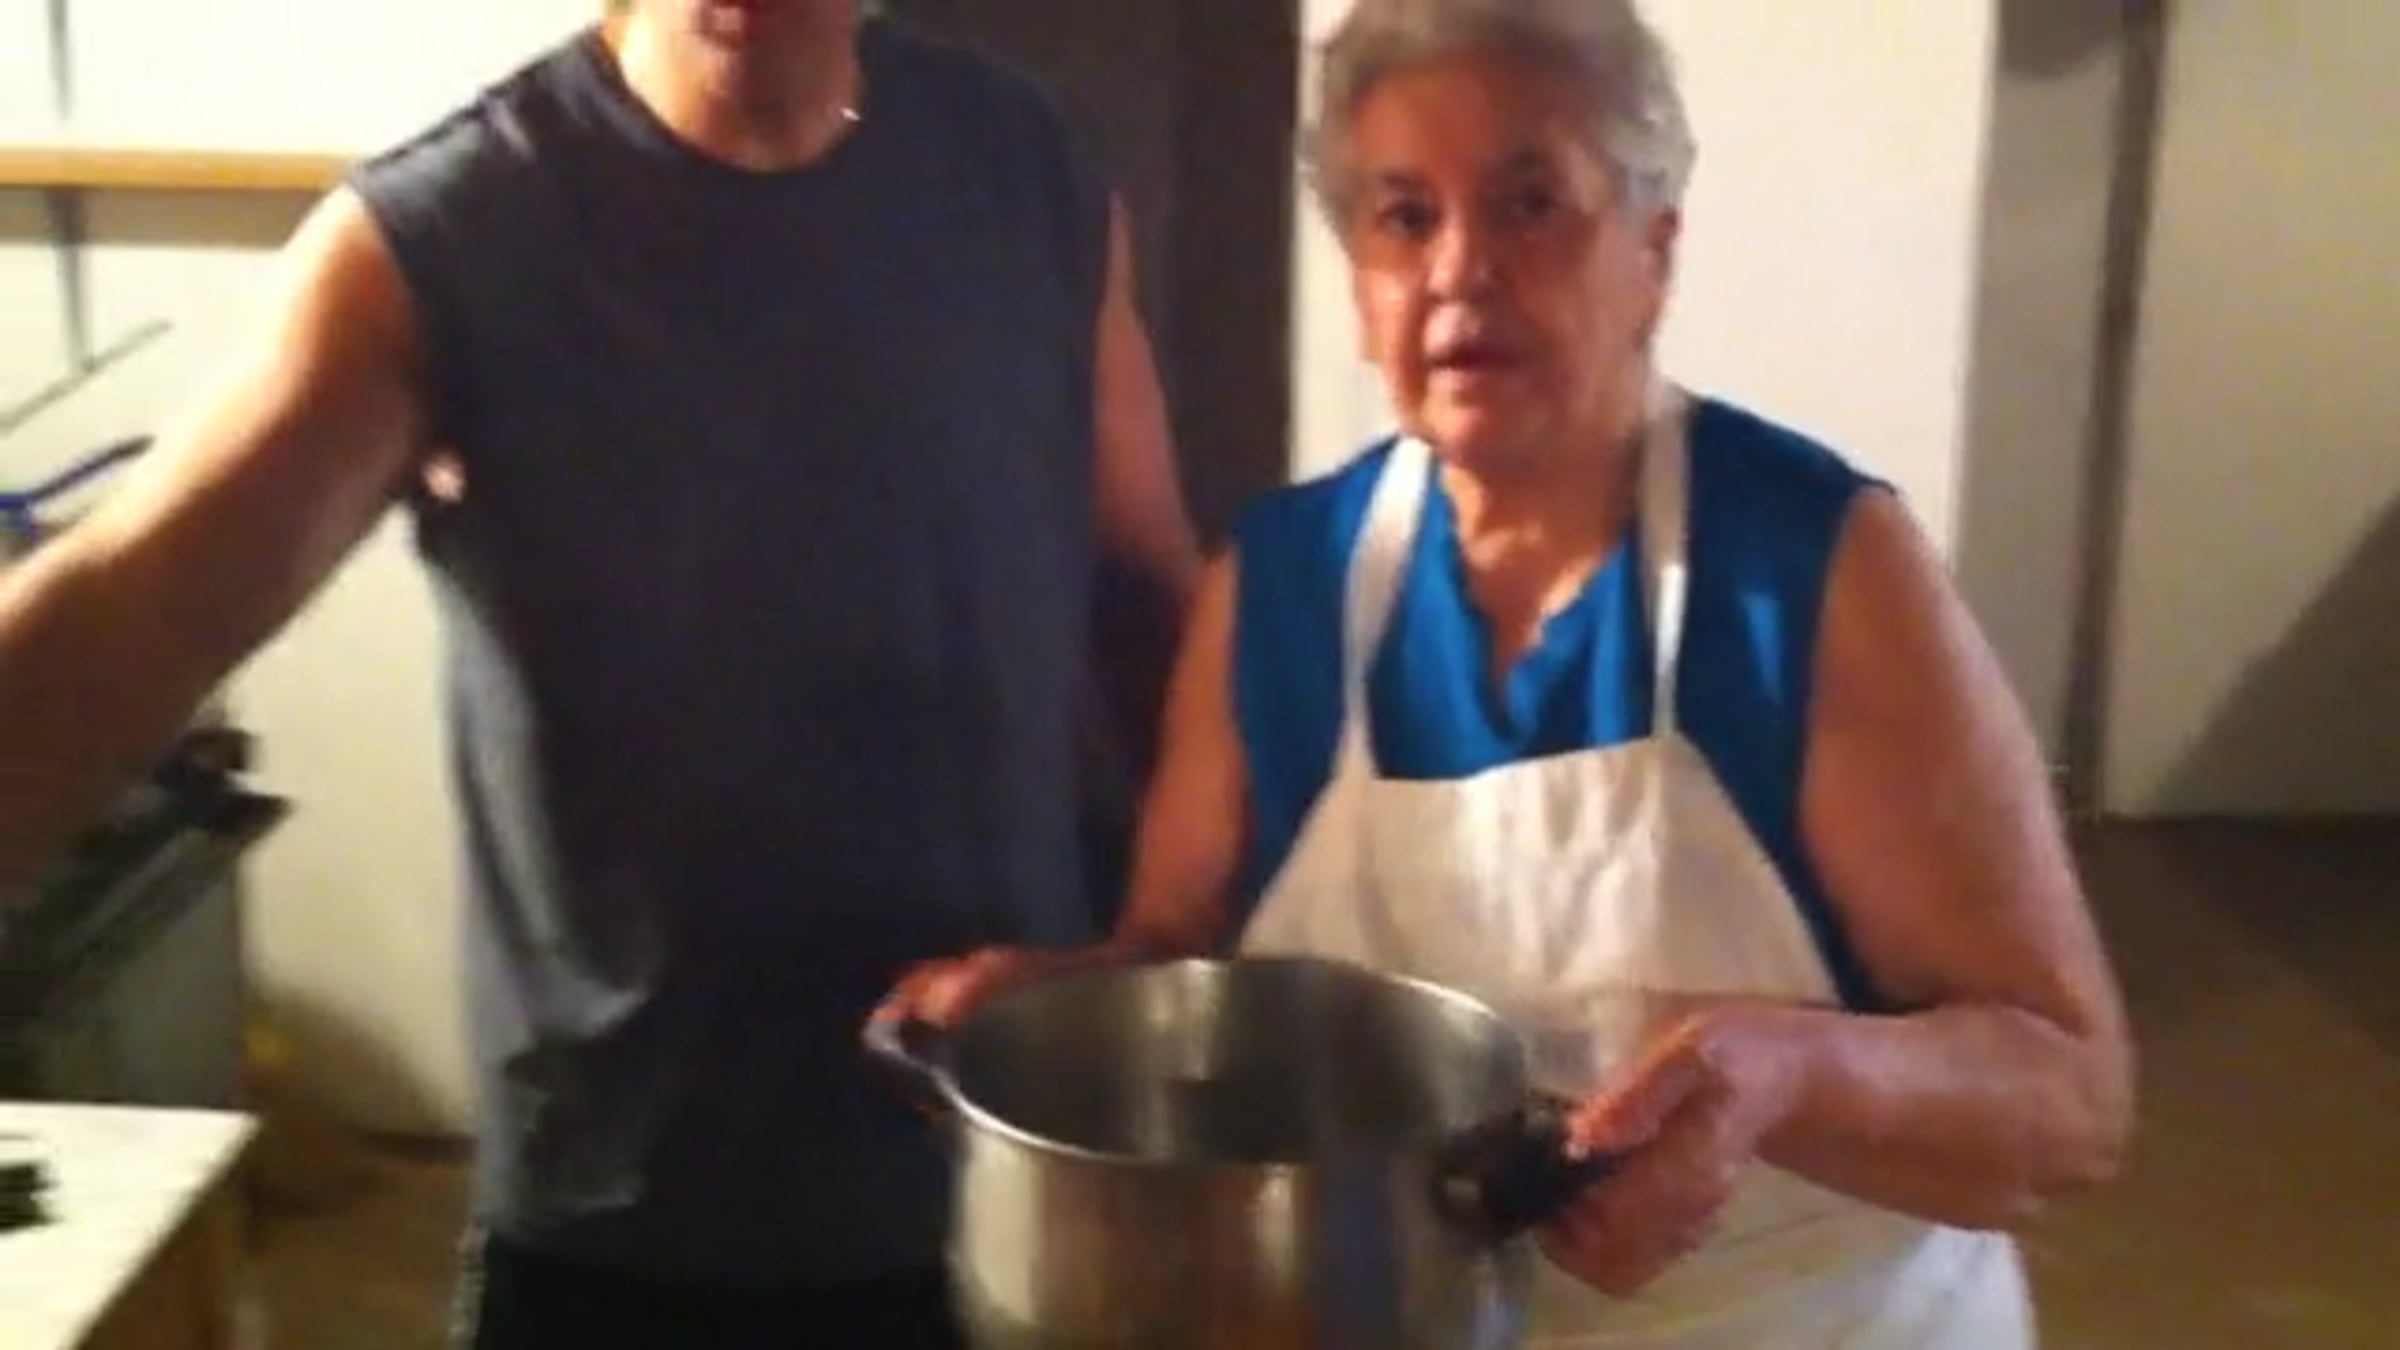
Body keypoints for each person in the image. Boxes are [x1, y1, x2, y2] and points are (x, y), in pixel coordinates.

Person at [878, 0, 2136, 1344]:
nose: (1461, 270)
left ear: (1653, 253)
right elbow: (1184, 972)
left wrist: (1789, 1073)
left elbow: (2070, 1100)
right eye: (1404, 217)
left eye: (1531, 205)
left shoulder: (1810, 572)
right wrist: (1059, 1009)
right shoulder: (1282, 589)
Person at [0, 1, 1200, 1345]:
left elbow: (1149, 615)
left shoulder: (1027, 173)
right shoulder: (447, 243)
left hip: (1006, 1202)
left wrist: (1161, 963)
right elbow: (127, 607)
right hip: (623, 1245)